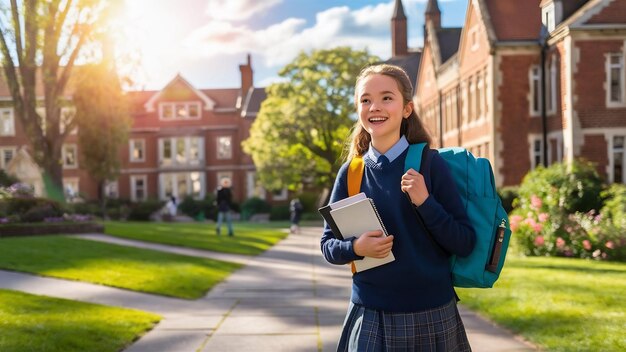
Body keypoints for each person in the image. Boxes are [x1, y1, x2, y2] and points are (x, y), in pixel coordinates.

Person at [320, 64, 476, 351]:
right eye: (365, 100)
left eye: (386, 98)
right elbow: (328, 244)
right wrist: (356, 248)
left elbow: (464, 242)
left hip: (432, 315)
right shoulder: (351, 172)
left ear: (407, 109)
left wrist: (425, 202)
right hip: (369, 314)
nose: (374, 106)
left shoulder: (430, 164)